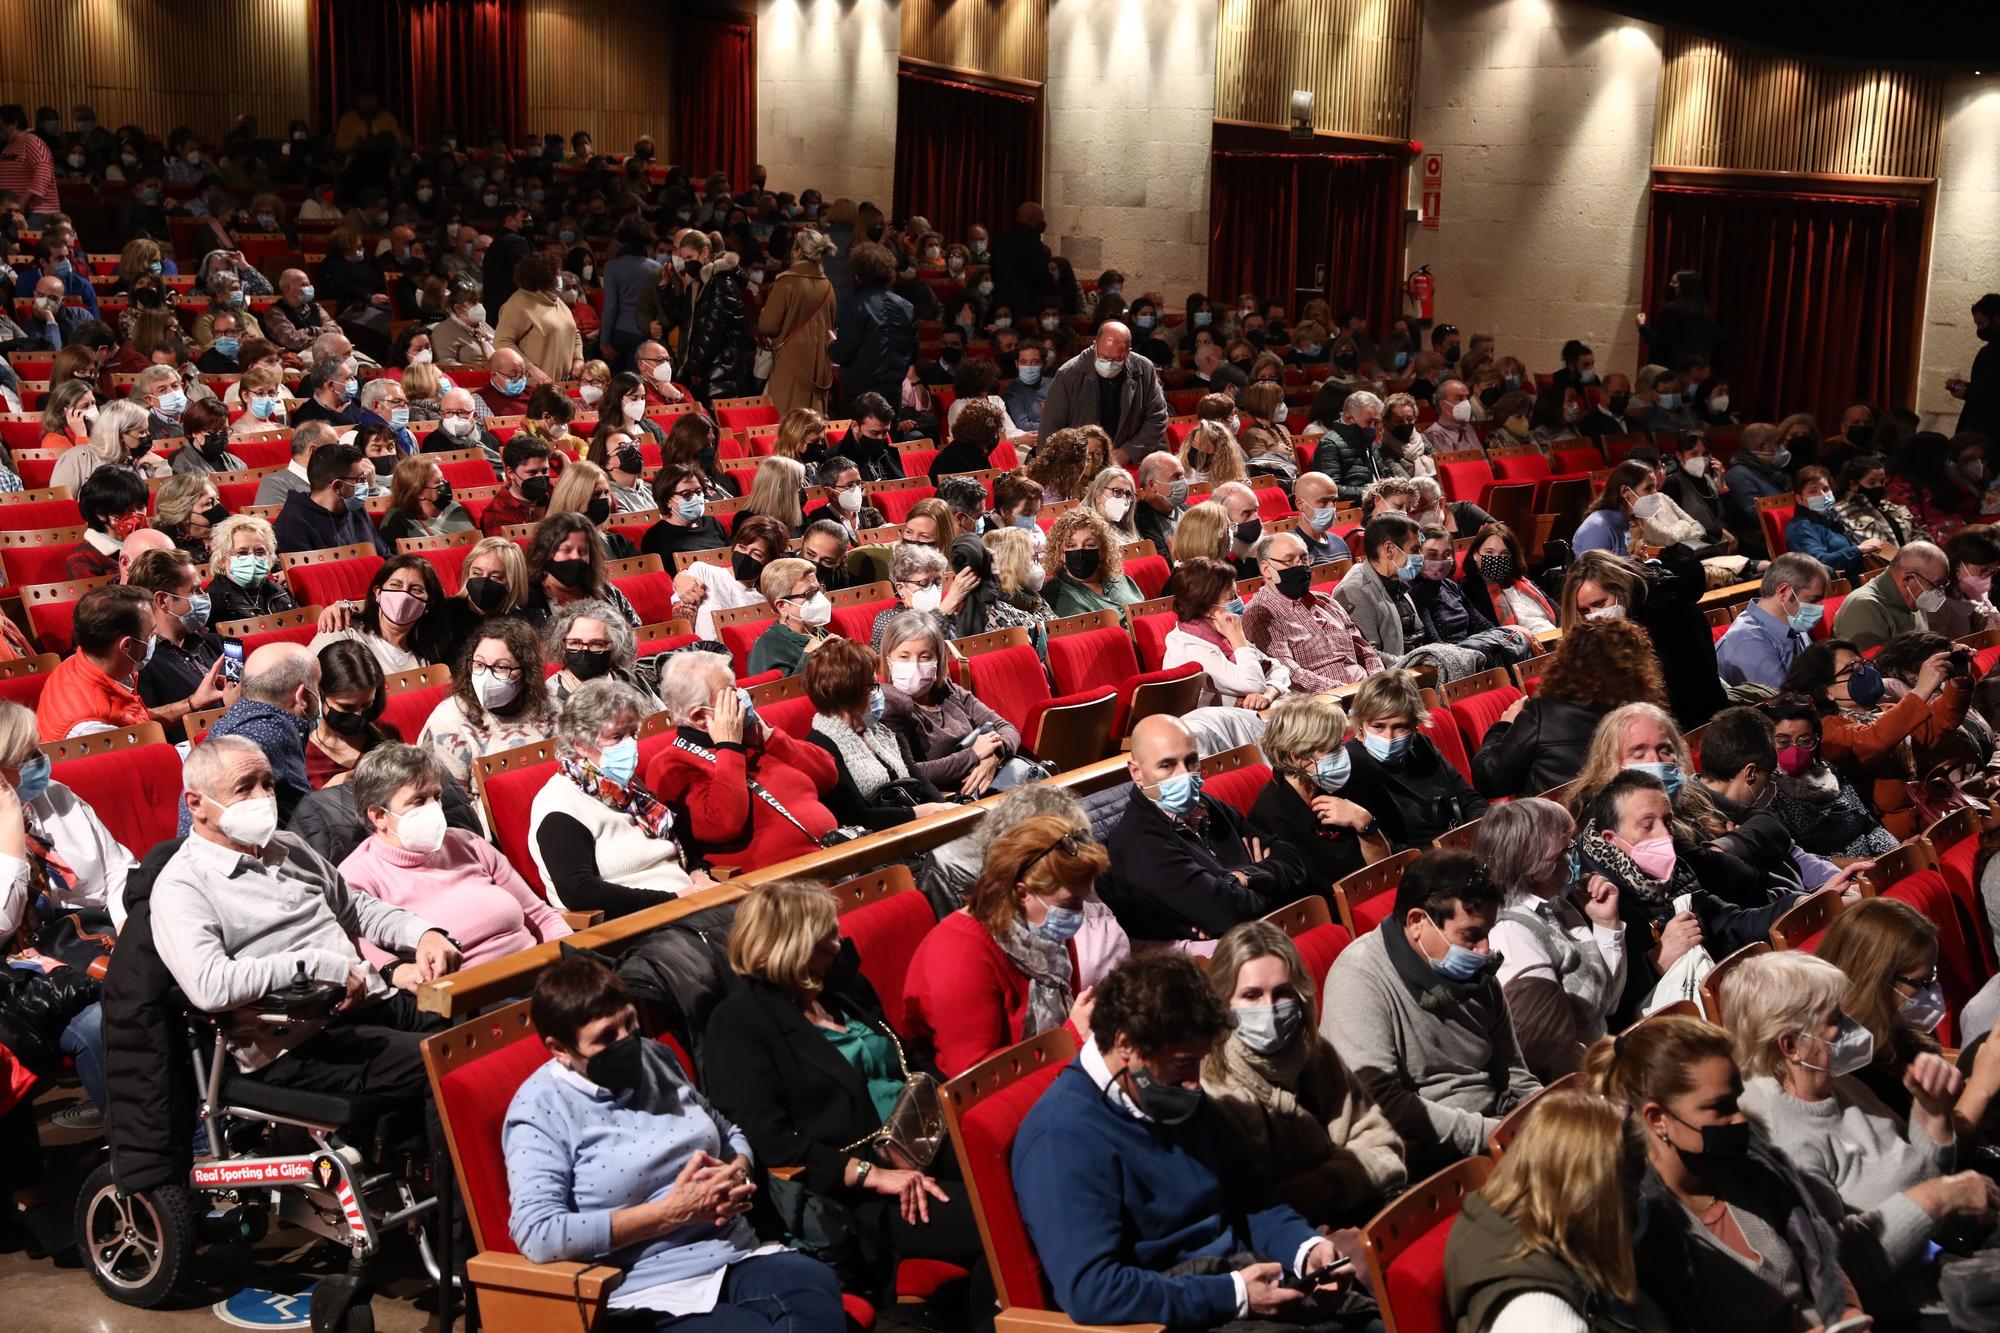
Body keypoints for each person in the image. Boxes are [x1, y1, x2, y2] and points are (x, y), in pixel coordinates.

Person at [1013, 952, 1360, 1329]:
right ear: (1127, 1045)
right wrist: (1234, 1295)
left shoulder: (1172, 1094)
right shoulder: (1062, 1139)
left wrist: (1304, 1250)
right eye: (1182, 1062)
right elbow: (1094, 1290)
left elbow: (1251, 1200)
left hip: (1249, 1277)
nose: (1195, 1082)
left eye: (1199, 1061)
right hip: (1181, 1313)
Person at [504, 952, 844, 1333]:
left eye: (630, 1023)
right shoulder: (540, 1108)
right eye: (605, 1037)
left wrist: (737, 1170)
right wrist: (668, 1214)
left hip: (734, 1252)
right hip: (645, 1286)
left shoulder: (656, 1058)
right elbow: (538, 1233)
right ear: (560, 1049)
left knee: (813, 1288)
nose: (627, 1041)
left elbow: (727, 1132)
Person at [702, 878, 992, 1314]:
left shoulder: (840, 991)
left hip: (920, 1139)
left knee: (1027, 1183)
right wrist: (873, 1175)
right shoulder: (739, 1024)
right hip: (855, 1190)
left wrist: (942, 1115)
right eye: (828, 938)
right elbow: (770, 1140)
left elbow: (908, 1059)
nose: (840, 945)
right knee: (997, 1226)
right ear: (792, 947)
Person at [1726, 949, 1995, 1318]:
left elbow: (1927, 1172)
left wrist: (1932, 1117)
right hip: (1921, 1304)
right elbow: (1839, 1265)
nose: (1851, 1025)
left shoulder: (1836, 1082)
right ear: (1790, 1045)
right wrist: (1937, 1199)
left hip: (1961, 1251)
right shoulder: (1778, 1138)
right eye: (1836, 1018)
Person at [1583, 1016, 1868, 1332]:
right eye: (1720, 1108)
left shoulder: (1754, 1169)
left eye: (1736, 1099)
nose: (1739, 1119)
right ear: (1657, 1118)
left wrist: (1847, 1314)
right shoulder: (1642, 1231)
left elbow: (1821, 1261)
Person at [1320, 847, 1538, 1175]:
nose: (1484, 949)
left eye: (1487, 933)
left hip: (1499, 1133)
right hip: (1432, 1156)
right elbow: (1382, 1101)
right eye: (1471, 936)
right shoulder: (1360, 977)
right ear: (1418, 922)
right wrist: (1493, 1135)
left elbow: (1511, 1068)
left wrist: (1540, 1116)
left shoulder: (1477, 973)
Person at [1198, 921, 1407, 1230]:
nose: (1269, 1008)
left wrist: (1327, 1183)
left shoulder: (1315, 1054)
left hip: (1356, 1215)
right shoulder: (1215, 1089)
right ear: (1223, 1002)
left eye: (1282, 993)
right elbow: (1249, 1207)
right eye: (1252, 996)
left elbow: (1384, 1147)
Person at [901, 813, 1114, 1077]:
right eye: (1070, 904)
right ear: (1022, 893)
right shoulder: (959, 953)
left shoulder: (1043, 925)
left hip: (1054, 1074)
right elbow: (974, 1078)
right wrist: (1069, 1040)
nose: (1078, 914)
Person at [1444, 1089, 1669, 1333]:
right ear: (1590, 1196)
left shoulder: (1564, 1239)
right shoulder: (1537, 1315)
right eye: (1633, 1189)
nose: (1639, 1201)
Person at [342, 743, 570, 970]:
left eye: (437, 796)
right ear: (379, 815)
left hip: (545, 974)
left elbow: (541, 916)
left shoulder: (466, 843)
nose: (434, 808)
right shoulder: (357, 875)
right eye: (419, 801)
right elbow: (353, 944)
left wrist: (575, 962)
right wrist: (394, 969)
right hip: (471, 995)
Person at [1100, 714, 1307, 947]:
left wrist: (1247, 876)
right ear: (1136, 773)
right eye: (1167, 765)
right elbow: (1227, 914)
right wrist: (1270, 880)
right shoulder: (1138, 842)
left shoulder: (1207, 805)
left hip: (1267, 939)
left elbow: (1295, 863)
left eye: (1191, 761)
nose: (1184, 774)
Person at [1478, 799, 1626, 1081]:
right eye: (1566, 847)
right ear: (1531, 859)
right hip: (1583, 1082)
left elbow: (1607, 1003)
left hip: (1604, 1056)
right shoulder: (1510, 932)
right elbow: (1546, 1048)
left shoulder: (1558, 905)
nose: (1574, 855)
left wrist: (1606, 924)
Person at [529, 679, 701, 916]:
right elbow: (579, 891)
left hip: (688, 901)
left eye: (632, 734)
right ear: (579, 744)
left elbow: (683, 841)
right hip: (635, 923)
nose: (630, 745)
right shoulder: (559, 804)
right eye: (617, 737)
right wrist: (671, 900)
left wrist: (700, 875)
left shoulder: (626, 788)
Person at [1783, 636, 1968, 839]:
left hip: (1929, 815)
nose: (1863, 672)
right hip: (1893, 839)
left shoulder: (1882, 711)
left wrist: (1958, 682)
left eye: (1863, 664)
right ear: (1828, 692)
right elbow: (1873, 741)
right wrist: (1921, 690)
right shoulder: (1826, 729)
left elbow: (1937, 724)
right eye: (1851, 670)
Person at [1473, 617, 1666, 800]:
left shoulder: (1542, 714)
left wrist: (1503, 726)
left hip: (1567, 827)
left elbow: (1489, 779)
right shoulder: (1645, 712)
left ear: (1566, 662)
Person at [1560, 549, 1730, 731]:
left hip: (1696, 728)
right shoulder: (1594, 644)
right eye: (1585, 611)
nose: (1595, 616)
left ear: (1621, 591)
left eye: (1600, 604)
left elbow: (1695, 694)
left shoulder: (1671, 616)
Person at [802, 636, 953, 829]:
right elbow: (855, 816)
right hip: (878, 844)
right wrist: (917, 813)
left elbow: (920, 782)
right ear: (850, 693)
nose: (878, 692)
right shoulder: (821, 748)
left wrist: (949, 812)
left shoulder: (878, 729)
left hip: (917, 828)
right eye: (873, 686)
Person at [1342, 669, 1489, 850]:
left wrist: (1482, 832)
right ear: (1362, 723)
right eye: (1378, 726)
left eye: (1400, 727)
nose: (1388, 737)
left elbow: (1469, 798)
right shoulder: (1352, 764)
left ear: (1415, 725)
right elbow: (1385, 846)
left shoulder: (1421, 745)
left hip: (1460, 846)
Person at [418, 618, 559, 787]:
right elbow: (451, 803)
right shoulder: (448, 721)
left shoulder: (550, 708)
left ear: (526, 672)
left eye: (501, 667)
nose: (486, 676)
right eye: (479, 664)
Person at [1239, 531, 1380, 692]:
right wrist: (1349, 691)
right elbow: (1290, 674)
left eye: (1304, 558)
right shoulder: (1261, 614)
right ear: (1266, 569)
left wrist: (1377, 681)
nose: (1300, 566)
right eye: (1289, 560)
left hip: (1366, 691)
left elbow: (1365, 651)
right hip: (1324, 703)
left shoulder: (1326, 602)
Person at [126, 547, 230, 740]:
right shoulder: (140, 664)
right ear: (163, 600)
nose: (203, 597)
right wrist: (193, 704)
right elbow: (146, 730)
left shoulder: (224, 644)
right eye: (194, 591)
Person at [1162, 556, 1291, 709]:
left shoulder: (1219, 632)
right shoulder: (1190, 646)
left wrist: (1269, 691)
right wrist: (1239, 641)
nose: (1238, 601)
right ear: (1207, 609)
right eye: (1231, 597)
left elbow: (1277, 668)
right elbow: (1254, 683)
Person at [1035, 320, 1169, 464]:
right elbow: (1049, 431)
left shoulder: (1144, 369)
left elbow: (1157, 417)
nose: (1110, 364)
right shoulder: (1068, 374)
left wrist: (1128, 452)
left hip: (1128, 460)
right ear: (1094, 346)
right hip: (1080, 463)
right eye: (1104, 357)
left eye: (1117, 359)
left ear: (1128, 354)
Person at [34, 585, 152, 741]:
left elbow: (134, 721)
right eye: (150, 634)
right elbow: (142, 757)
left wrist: (189, 704)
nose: (152, 639)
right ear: (127, 645)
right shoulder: (91, 729)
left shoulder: (78, 662)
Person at [308, 553, 451, 673]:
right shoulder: (342, 629)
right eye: (395, 585)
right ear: (378, 593)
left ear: (428, 603)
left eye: (415, 590)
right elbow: (306, 677)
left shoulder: (427, 659)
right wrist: (346, 604)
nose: (403, 596)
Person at [1714, 552, 1833, 690]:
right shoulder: (1748, 641)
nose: (1820, 607)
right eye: (1813, 600)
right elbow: (1785, 703)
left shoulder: (1793, 624)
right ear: (1783, 592)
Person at [757, 226, 837, 415]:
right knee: (813, 422)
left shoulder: (787, 282)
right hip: (819, 364)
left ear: (798, 251)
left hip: (791, 362)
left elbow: (768, 326)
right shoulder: (828, 285)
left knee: (788, 422)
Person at [672, 513, 790, 640]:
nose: (745, 555)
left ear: (769, 561)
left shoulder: (771, 596)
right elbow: (684, 629)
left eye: (756, 554)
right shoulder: (705, 572)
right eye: (742, 547)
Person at [274, 442, 392, 557]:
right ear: (338, 486)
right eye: (360, 479)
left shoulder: (356, 509)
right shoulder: (293, 523)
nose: (365, 484)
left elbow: (383, 555)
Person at [1829, 539, 1947, 650]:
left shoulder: (1914, 597)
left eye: (1943, 584)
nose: (1939, 592)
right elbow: (1871, 668)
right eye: (1936, 585)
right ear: (1908, 579)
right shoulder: (1864, 607)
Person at [544, 601, 657, 708]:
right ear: (561, 644)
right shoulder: (549, 696)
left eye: (597, 644)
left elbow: (663, 720)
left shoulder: (630, 680)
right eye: (575, 643)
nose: (584, 651)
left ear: (616, 647)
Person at [1041, 506, 1143, 617]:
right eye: (1071, 546)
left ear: (1103, 550)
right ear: (1060, 554)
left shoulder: (1121, 580)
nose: (1080, 551)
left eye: (1089, 545)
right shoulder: (1057, 596)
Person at [62, 466, 149, 581]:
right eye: (126, 510)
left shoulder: (153, 544)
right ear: (100, 514)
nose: (137, 515)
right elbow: (95, 598)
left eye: (140, 507)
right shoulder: (82, 559)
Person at [377, 455, 471, 543]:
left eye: (443, 479)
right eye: (438, 482)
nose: (445, 484)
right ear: (418, 492)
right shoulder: (397, 521)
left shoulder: (455, 508)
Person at [1931, 522, 2000, 640]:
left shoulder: (1970, 590)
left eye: (1992, 571)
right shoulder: (1937, 604)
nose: (1986, 578)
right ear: (1958, 564)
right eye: (1982, 570)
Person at [479, 436, 554, 537]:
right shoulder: (496, 514)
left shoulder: (551, 492)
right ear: (511, 473)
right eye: (532, 472)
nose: (541, 477)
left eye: (544, 471)